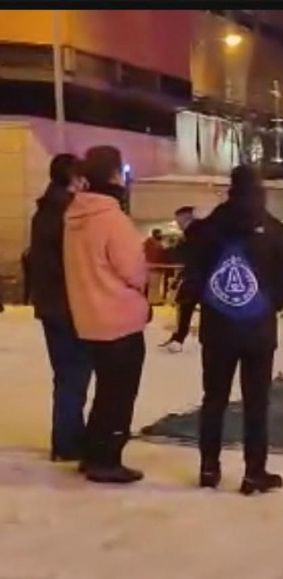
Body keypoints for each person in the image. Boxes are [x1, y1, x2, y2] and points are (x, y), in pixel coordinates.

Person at [178, 166, 283, 494]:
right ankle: (254, 472)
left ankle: (208, 468)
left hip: (217, 328)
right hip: (258, 330)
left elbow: (193, 276)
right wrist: (266, 302)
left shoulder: (209, 227)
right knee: (256, 403)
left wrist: (208, 303)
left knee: (213, 399)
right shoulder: (274, 229)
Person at [62, 145, 149, 483]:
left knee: (105, 391)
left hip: (88, 316)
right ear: (114, 175)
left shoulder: (75, 217)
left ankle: (93, 453)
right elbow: (133, 270)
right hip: (120, 317)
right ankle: (107, 458)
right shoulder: (112, 219)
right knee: (119, 394)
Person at [27, 153, 92, 464]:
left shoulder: (43, 211)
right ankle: (68, 442)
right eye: (81, 177)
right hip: (69, 304)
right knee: (74, 374)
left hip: (49, 304)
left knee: (66, 373)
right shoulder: (69, 213)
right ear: (72, 178)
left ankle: (67, 436)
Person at [162, 206, 200, 349]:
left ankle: (179, 338)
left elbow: (186, 256)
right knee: (186, 307)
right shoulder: (194, 233)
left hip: (196, 277)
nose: (178, 224)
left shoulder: (194, 234)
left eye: (179, 220)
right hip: (195, 276)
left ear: (186, 218)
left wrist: (174, 249)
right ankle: (179, 338)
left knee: (185, 307)